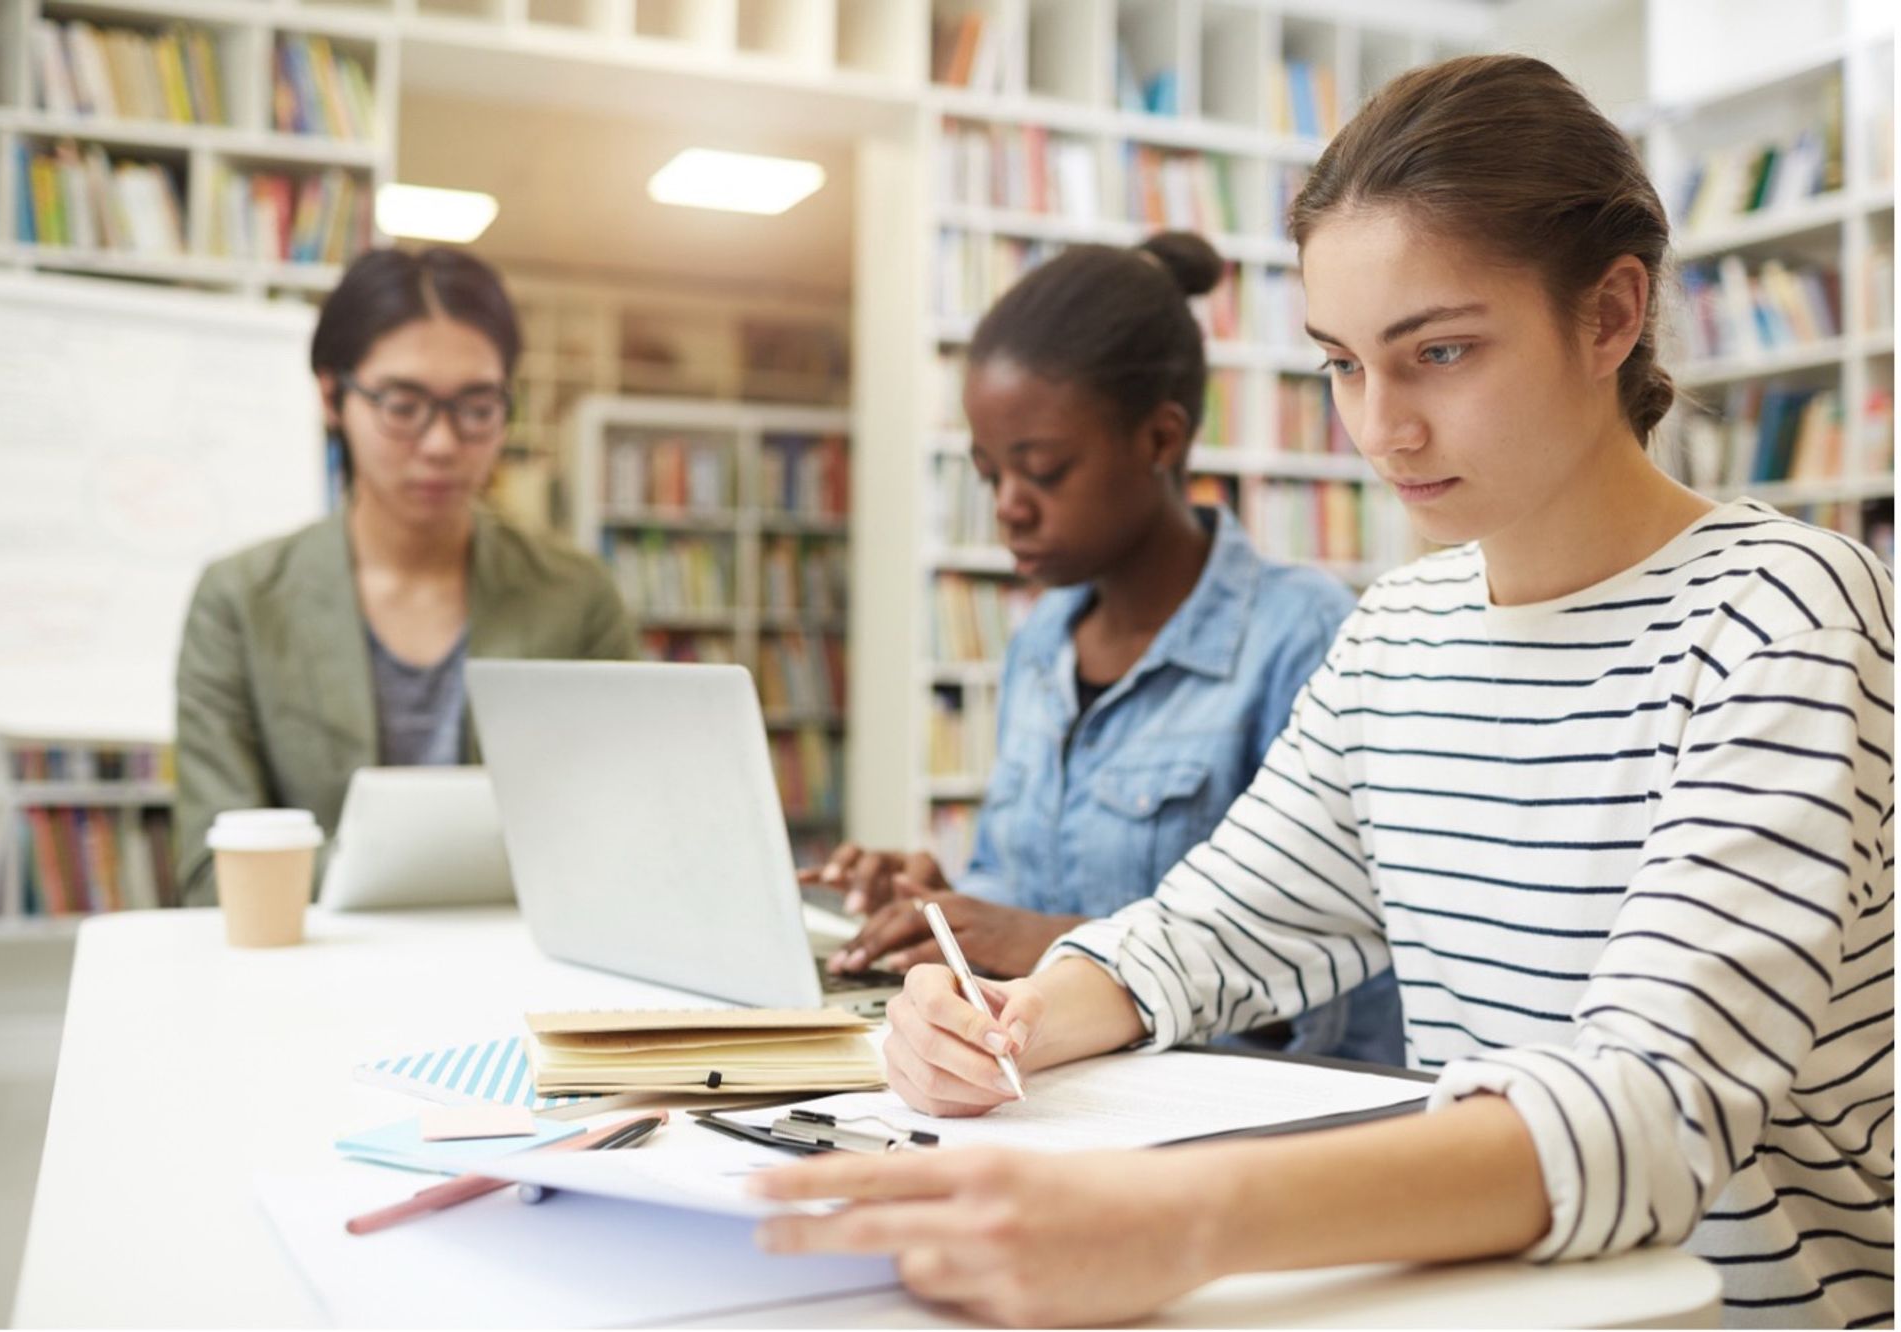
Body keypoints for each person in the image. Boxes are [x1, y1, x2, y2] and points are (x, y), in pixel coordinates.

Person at [752, 54, 1894, 1329]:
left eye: (1438, 352)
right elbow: (1207, 934)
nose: (1378, 429)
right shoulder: (1398, 631)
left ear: (1608, 315)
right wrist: (1008, 1018)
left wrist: (1186, 1218)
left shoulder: (1783, 610)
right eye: (1340, 365)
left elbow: (1650, 1110)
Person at [811, 231, 1402, 1063]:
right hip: (1037, 1087)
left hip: (1219, 1125)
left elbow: (1345, 987)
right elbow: (1016, 893)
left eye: (1042, 469)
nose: (1008, 507)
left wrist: (1048, 945)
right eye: (989, 475)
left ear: (1160, 440)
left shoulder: (1299, 637)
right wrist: (945, 910)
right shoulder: (1041, 645)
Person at [174, 247, 634, 904]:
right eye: (402, 404)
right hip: (309, 983)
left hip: (524, 974)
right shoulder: (240, 601)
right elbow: (211, 873)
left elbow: (629, 826)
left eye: (476, 406)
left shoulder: (576, 594)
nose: (442, 443)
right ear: (333, 397)